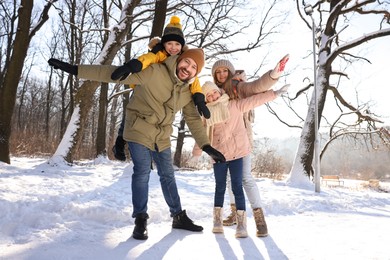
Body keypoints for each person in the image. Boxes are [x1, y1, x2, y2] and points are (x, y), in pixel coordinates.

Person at [47, 48, 226, 241]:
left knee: (168, 174)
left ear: (196, 73)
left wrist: (206, 146)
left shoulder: (187, 89)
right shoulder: (155, 71)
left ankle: (178, 217)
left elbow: (192, 118)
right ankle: (140, 219)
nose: (188, 68)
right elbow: (114, 73)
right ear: (179, 59)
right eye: (187, 62)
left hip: (161, 136)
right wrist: (76, 70)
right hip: (138, 128)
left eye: (193, 67)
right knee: (142, 172)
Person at [192, 81, 289, 238]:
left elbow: (253, 101)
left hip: (238, 153)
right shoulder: (206, 114)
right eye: (208, 96)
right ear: (206, 100)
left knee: (237, 186)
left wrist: (274, 94)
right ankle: (217, 221)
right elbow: (201, 135)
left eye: (214, 93)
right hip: (219, 156)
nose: (212, 96)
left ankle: (242, 225)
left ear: (219, 92)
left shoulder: (234, 105)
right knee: (220, 187)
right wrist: (196, 153)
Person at [111, 16, 210, 161]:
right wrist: (135, 64)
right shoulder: (159, 53)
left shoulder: (184, 59)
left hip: (165, 93)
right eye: (169, 43)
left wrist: (199, 97)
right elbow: (148, 59)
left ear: (182, 47)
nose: (173, 48)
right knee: (131, 112)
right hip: (146, 88)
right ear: (164, 43)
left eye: (177, 44)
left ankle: (151, 149)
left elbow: (193, 80)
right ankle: (120, 141)